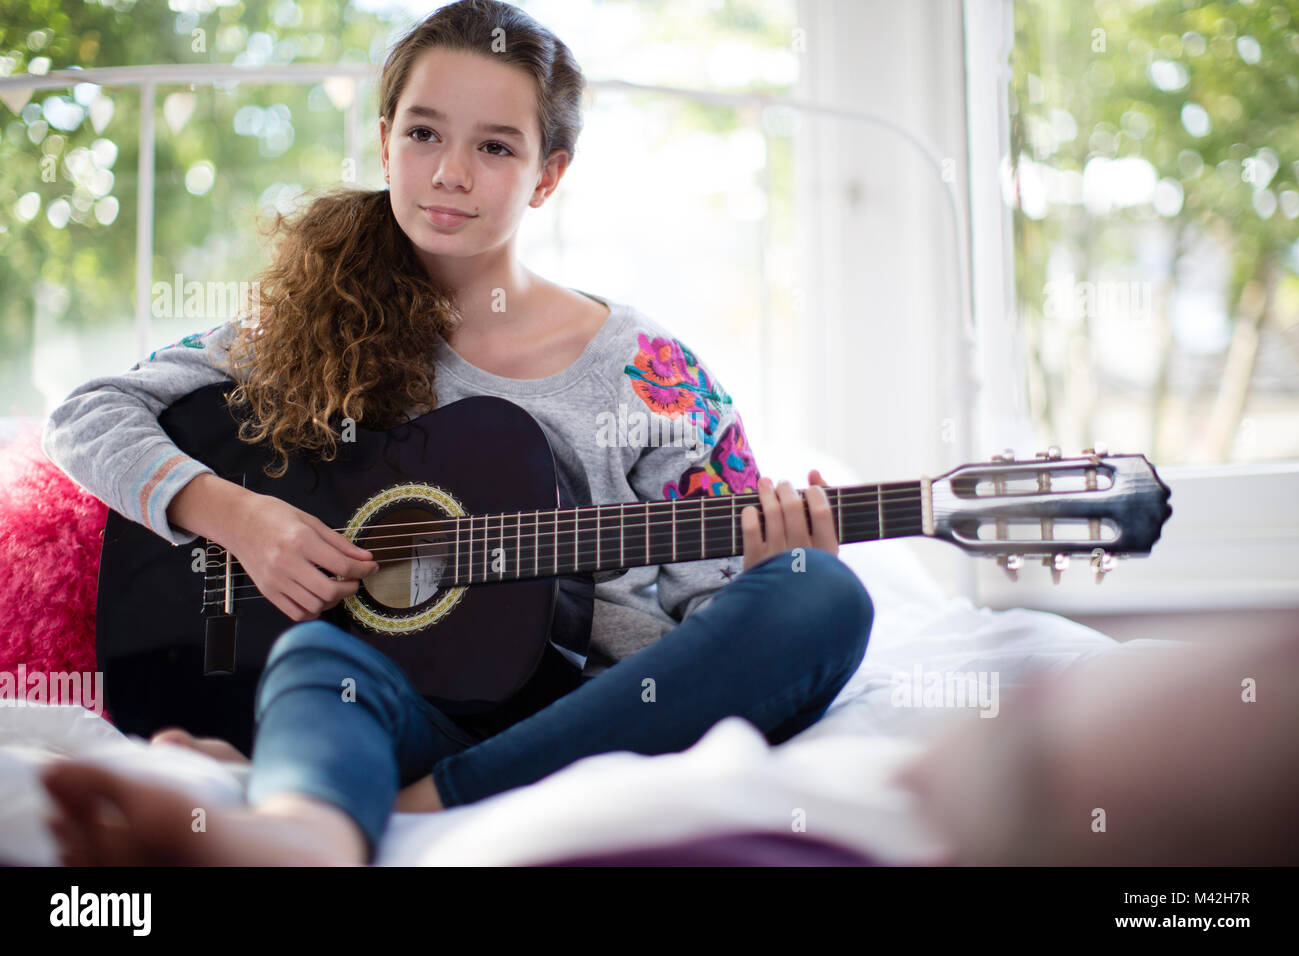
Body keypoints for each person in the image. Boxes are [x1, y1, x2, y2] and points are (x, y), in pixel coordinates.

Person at [38, 0, 874, 866]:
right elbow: (87, 415)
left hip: (593, 719)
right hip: (388, 702)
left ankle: (430, 801)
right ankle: (300, 839)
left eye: (495, 147)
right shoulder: (303, 325)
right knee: (319, 658)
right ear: (386, 140)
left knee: (825, 593)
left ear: (547, 176)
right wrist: (240, 517)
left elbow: (718, 620)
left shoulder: (650, 370)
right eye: (425, 134)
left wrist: (770, 569)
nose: (449, 174)